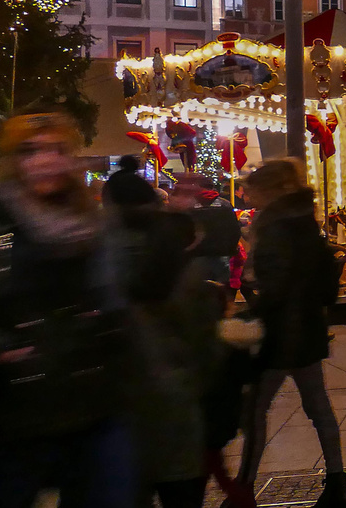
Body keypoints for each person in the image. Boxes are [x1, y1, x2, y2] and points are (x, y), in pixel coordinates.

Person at [0, 109, 135, 508]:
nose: (45, 160)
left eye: (57, 149)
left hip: (94, 398)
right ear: (13, 160)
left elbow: (116, 295)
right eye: (30, 151)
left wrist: (110, 326)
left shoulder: (89, 220)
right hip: (13, 409)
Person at [236, 158, 346, 507]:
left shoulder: (273, 226)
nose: (246, 194)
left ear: (268, 190)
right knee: (319, 408)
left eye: (251, 188)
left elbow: (276, 284)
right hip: (308, 331)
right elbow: (321, 285)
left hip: (279, 335)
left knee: (254, 412)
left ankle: (243, 490)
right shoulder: (306, 223)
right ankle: (337, 482)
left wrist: (249, 314)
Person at [125, 167, 225, 508]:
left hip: (129, 420)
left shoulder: (107, 269)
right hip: (179, 409)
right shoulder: (189, 278)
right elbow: (206, 352)